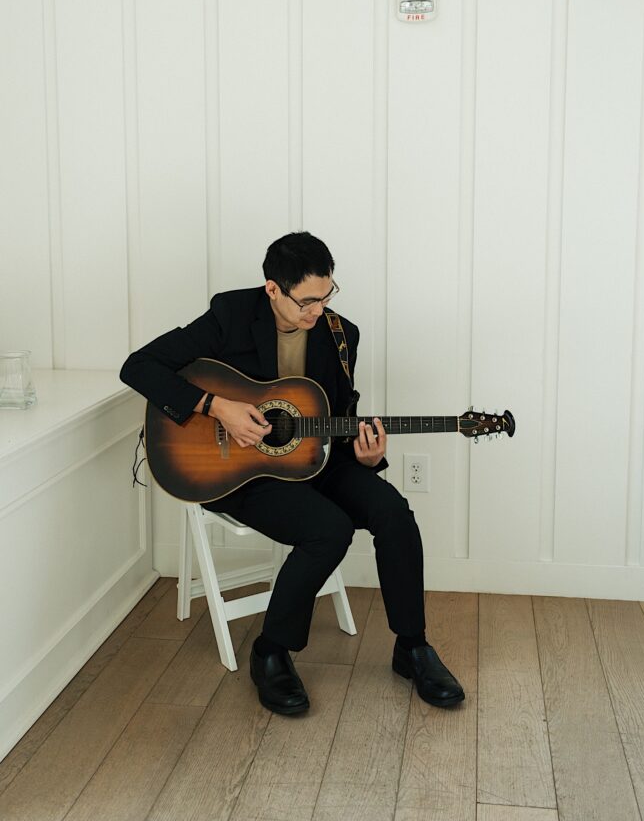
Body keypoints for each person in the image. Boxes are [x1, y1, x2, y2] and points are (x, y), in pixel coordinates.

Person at [120, 231, 464, 715]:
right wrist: (217, 407)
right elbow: (139, 366)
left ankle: (412, 647)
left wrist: (366, 456)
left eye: (326, 296)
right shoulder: (232, 316)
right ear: (273, 290)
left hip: (311, 461)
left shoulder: (342, 335)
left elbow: (338, 415)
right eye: (306, 301)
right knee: (330, 529)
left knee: (393, 511)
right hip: (235, 471)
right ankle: (271, 651)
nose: (317, 311)